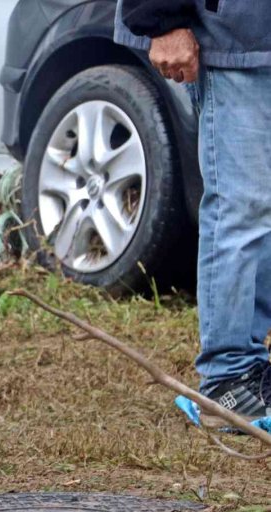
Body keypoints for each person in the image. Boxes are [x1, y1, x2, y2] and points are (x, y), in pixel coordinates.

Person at [116, 2, 271, 425]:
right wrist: (161, 18)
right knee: (243, 208)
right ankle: (227, 380)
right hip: (232, 32)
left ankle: (254, 375)